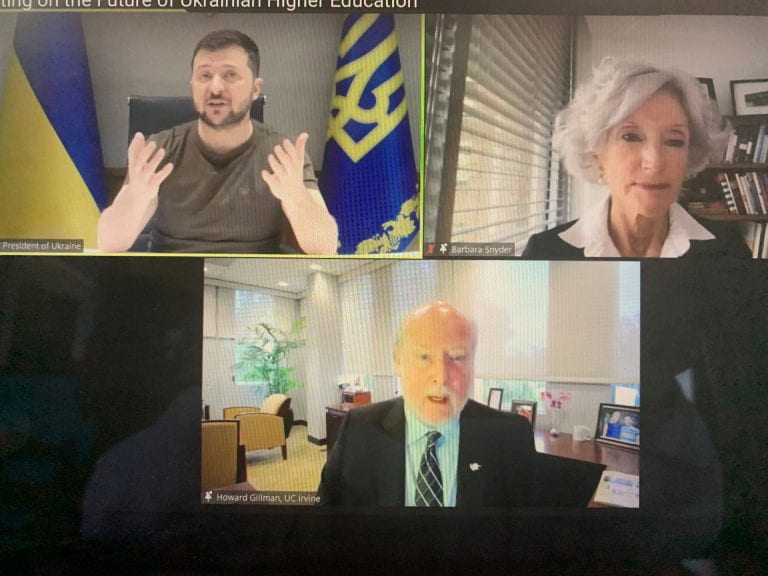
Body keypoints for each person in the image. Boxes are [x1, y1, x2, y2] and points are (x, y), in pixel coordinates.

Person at [97, 30, 338, 254]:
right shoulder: (159, 149)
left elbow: (325, 246)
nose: (215, 87)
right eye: (204, 75)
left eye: (230, 75)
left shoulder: (283, 154)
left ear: (256, 89)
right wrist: (135, 199)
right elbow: (108, 243)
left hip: (256, 281)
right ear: (192, 85)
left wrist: (295, 198)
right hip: (172, 277)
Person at [523, 58, 750, 259]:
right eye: (630, 136)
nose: (654, 162)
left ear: (689, 157)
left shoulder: (729, 250)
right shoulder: (545, 252)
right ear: (597, 155)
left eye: (674, 141)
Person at [317, 301, 535, 507]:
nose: (441, 376)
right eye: (423, 356)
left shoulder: (510, 436)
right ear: (398, 361)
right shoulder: (358, 429)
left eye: (457, 357)